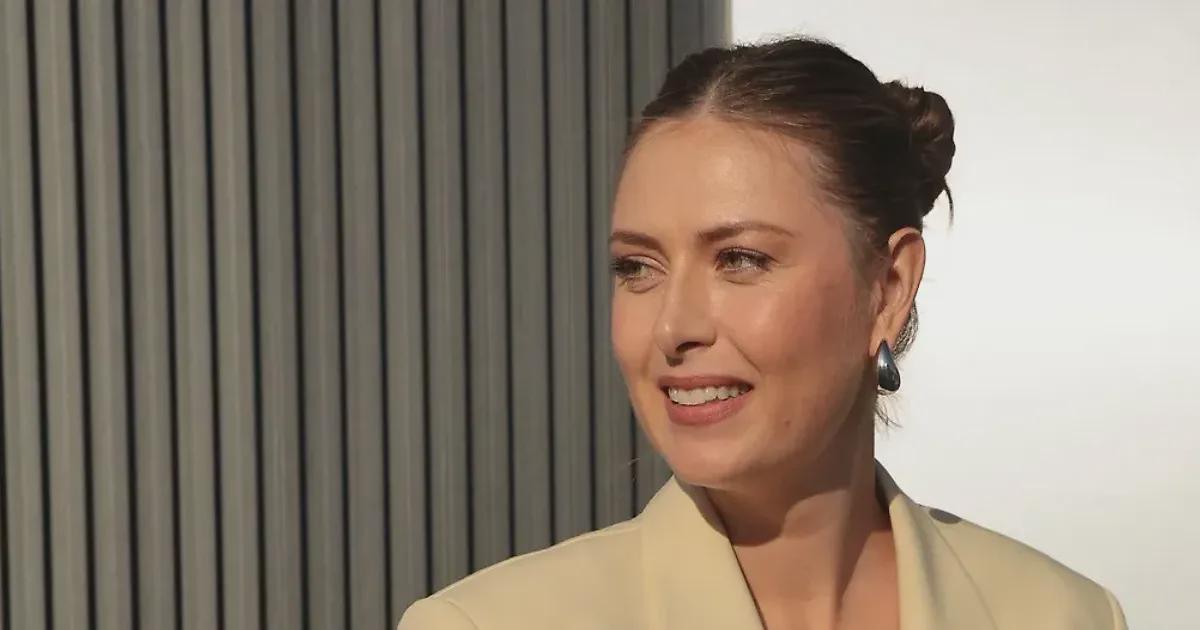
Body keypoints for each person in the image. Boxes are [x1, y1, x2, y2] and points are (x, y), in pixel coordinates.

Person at [399, 35, 1127, 630]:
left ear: (888, 288)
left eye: (740, 259)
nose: (674, 327)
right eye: (637, 268)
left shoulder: (1061, 615)